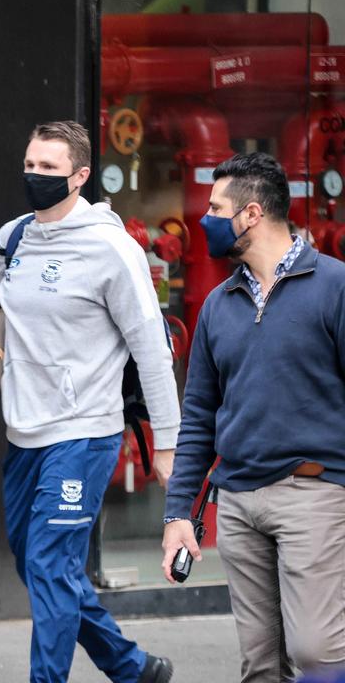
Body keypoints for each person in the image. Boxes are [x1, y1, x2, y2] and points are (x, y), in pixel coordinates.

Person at [0, 120, 178, 683]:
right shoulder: (14, 237)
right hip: (23, 429)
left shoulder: (112, 248)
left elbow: (152, 348)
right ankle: (132, 669)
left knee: (51, 565)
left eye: (49, 168)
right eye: (30, 164)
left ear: (80, 177)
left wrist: (169, 443)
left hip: (84, 431)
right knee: (34, 563)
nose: (35, 176)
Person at [161, 152, 345, 682]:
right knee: (261, 666)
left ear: (252, 214)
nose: (206, 219)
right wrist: (178, 514)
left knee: (316, 651)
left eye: (217, 207)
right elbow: (198, 416)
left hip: (315, 493)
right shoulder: (220, 303)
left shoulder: (333, 286)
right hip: (238, 502)